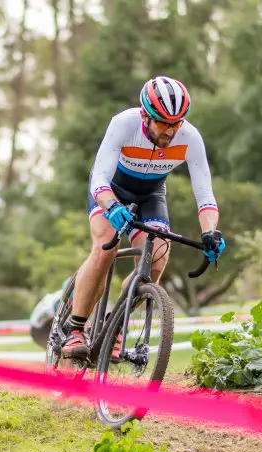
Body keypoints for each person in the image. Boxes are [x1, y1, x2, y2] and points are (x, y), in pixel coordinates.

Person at [61, 76, 225, 359]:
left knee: (157, 260)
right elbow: (99, 177)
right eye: (162, 123)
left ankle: (116, 322)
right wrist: (111, 206)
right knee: (105, 248)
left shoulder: (190, 138)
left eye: (176, 123)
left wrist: (210, 232)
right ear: (145, 116)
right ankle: (75, 329)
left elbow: (205, 194)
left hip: (151, 195)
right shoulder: (123, 124)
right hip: (110, 189)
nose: (170, 131)